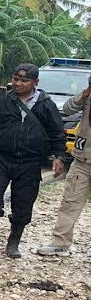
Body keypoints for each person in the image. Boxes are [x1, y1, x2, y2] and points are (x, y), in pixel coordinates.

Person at [0, 64, 66, 258]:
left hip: (30, 162)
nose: (18, 83)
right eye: (16, 79)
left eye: (24, 80)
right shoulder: (3, 100)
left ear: (35, 82)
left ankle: (13, 243)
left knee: (23, 204)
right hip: (1, 158)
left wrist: (59, 156)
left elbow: (57, 132)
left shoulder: (46, 103)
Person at [37, 79, 90, 255]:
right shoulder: (87, 96)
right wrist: (84, 93)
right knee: (70, 203)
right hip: (83, 161)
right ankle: (60, 243)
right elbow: (67, 109)